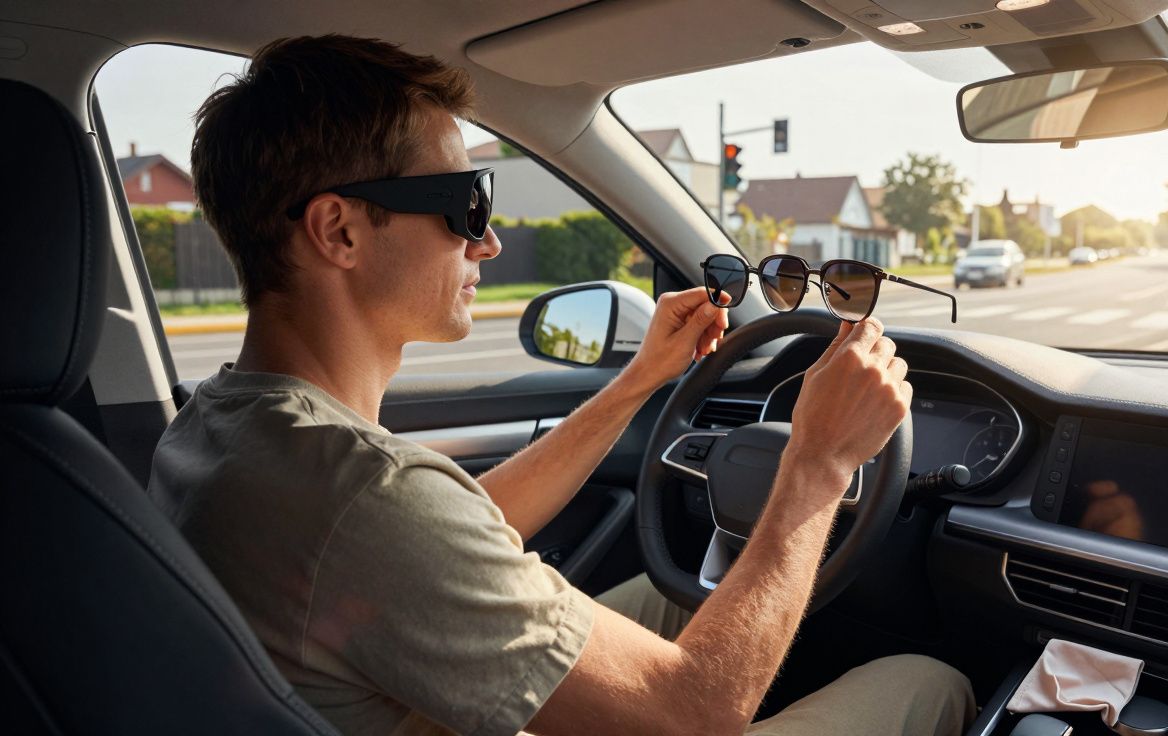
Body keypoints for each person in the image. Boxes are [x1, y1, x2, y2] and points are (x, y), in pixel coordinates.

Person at [148, 34, 975, 736]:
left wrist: (639, 381)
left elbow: (443, 534)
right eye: (466, 203)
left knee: (675, 594)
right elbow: (696, 711)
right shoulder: (360, 493)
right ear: (340, 230)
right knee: (925, 680)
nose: (491, 243)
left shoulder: (224, 426)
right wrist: (820, 463)